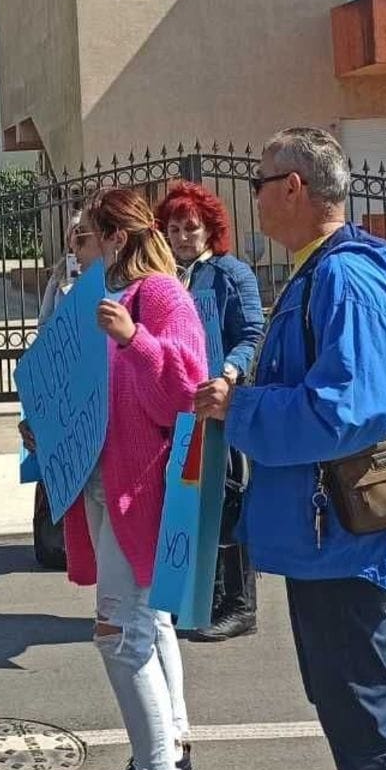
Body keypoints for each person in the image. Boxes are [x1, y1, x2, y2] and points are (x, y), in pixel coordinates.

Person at [195, 128, 386, 770]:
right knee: (348, 714)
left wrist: (243, 408)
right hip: (325, 535)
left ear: (294, 187)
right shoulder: (319, 271)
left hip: (344, 540)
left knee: (363, 724)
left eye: (260, 183)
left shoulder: (343, 278)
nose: (255, 197)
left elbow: (350, 410)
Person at [41, 187, 206, 770]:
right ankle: (168, 757)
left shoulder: (158, 296)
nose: (77, 250)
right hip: (106, 488)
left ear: (115, 238)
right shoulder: (103, 301)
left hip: (141, 494)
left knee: (120, 636)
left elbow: (185, 392)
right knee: (144, 626)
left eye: (86, 236)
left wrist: (135, 339)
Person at [158, 181, 264, 642]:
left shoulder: (230, 274)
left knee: (227, 502)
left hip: (220, 406)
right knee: (187, 507)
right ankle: (199, 599)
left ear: (209, 230)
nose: (183, 237)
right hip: (177, 413)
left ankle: (239, 606)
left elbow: (252, 332)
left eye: (192, 228)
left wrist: (229, 372)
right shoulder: (162, 278)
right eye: (175, 229)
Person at [30, 210, 91, 572]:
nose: (78, 238)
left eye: (84, 232)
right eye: (74, 232)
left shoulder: (106, 274)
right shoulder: (59, 275)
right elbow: (44, 323)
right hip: (61, 379)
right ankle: (58, 538)